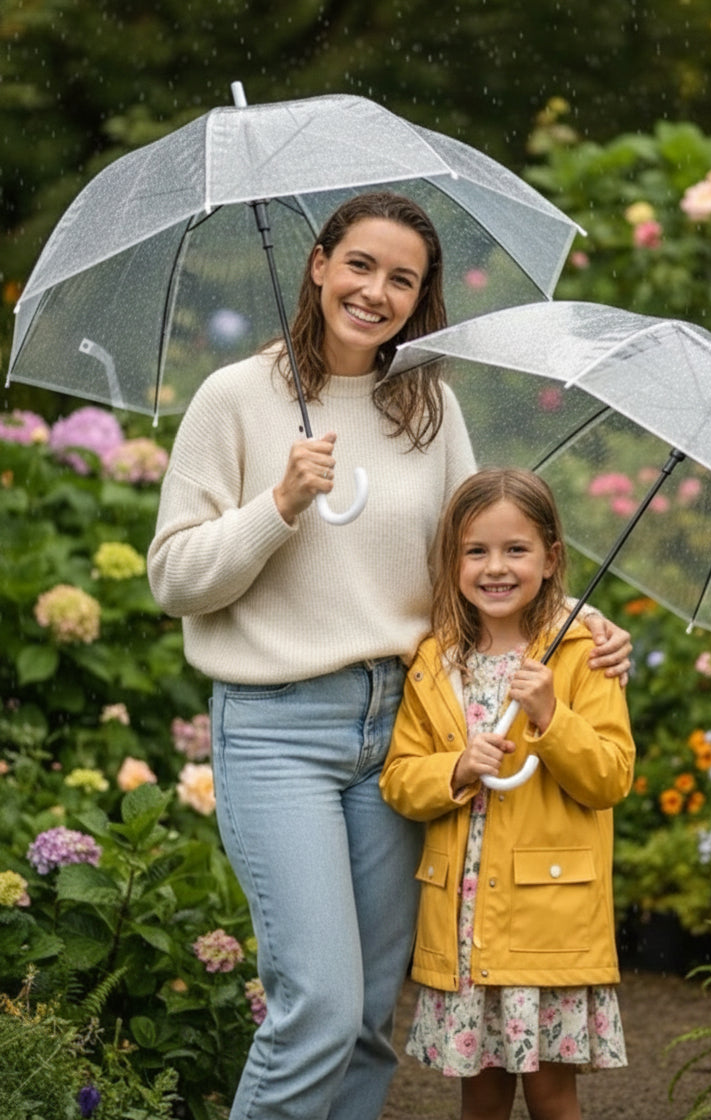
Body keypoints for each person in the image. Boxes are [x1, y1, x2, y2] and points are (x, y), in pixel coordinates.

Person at [147, 191, 632, 1120]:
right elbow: (174, 579)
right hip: (281, 728)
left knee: (371, 1013)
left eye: (402, 279)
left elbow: (482, 553)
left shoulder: (429, 407)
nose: (376, 291)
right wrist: (278, 505)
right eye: (360, 265)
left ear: (421, 299)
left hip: (407, 730)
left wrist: (582, 619)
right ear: (320, 264)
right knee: (318, 1009)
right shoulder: (237, 399)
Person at [380, 467, 635, 1120]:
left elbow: (609, 776)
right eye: (476, 551)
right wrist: (458, 768)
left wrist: (552, 716)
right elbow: (401, 780)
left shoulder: (581, 657)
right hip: (466, 928)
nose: (496, 568)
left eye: (516, 550)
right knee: (481, 1096)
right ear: (453, 560)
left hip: (546, 919)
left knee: (552, 1095)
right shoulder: (436, 663)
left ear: (550, 559)